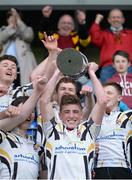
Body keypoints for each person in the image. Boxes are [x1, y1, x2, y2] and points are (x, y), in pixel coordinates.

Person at [41, 62, 107, 179]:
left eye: (76, 112)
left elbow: (102, 101)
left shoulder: (89, 131)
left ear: (82, 115)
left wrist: (92, 73)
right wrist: (57, 71)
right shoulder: (52, 130)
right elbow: (44, 101)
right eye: (67, 112)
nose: (71, 116)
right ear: (60, 115)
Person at [0, 76, 47, 179]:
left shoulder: (37, 147)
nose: (29, 115)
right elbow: (22, 116)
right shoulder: (3, 135)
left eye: (32, 112)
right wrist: (37, 91)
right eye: (26, 111)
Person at [93, 82, 132, 179]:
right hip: (99, 169)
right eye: (103, 93)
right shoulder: (95, 118)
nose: (105, 96)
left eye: (109, 93)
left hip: (122, 168)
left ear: (119, 98)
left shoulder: (128, 116)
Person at [89, 8, 132, 83]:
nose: (116, 19)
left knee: (129, 89)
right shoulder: (104, 34)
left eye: (118, 17)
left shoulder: (130, 34)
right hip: (108, 67)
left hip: (127, 66)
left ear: (123, 20)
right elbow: (95, 38)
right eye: (113, 17)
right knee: (107, 89)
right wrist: (97, 21)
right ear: (109, 20)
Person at [0, 8, 37, 86]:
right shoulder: (3, 30)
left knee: (21, 90)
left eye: (15, 17)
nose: (13, 19)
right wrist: (11, 26)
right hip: (5, 67)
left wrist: (19, 22)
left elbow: (28, 36)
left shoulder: (26, 30)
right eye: (10, 17)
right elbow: (1, 38)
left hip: (22, 67)